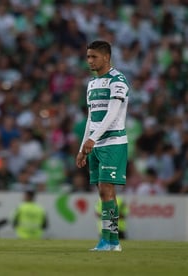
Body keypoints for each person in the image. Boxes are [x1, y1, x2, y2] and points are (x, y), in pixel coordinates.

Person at [76, 40, 130, 252]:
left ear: (106, 57)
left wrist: (93, 139)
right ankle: (109, 240)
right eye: (88, 56)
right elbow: (91, 118)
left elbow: (113, 114)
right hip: (96, 144)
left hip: (113, 141)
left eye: (94, 56)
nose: (89, 60)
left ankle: (111, 241)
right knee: (102, 192)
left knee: (107, 189)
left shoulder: (117, 81)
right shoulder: (91, 84)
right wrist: (83, 147)